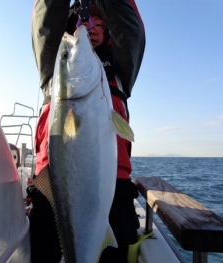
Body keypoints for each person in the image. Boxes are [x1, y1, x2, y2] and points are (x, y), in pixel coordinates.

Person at [28, 0, 145, 262]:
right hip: (55, 185)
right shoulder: (54, 72)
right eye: (80, 23)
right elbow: (45, 22)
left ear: (110, 32)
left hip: (112, 186)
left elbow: (130, 26)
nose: (88, 28)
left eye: (99, 24)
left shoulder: (120, 69)